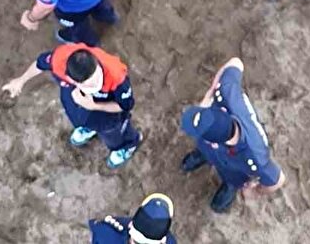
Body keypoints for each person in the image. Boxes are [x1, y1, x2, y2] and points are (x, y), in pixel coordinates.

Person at [2, 42, 142, 170]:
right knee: (77, 115)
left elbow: (125, 106)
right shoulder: (60, 59)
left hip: (108, 113)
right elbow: (40, 63)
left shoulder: (116, 76)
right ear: (70, 79)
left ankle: (129, 144)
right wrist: (20, 81)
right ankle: (89, 127)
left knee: (113, 132)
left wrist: (94, 106)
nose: (96, 84)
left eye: (97, 78)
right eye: (89, 84)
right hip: (78, 105)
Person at [179, 57, 284, 214]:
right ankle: (203, 155)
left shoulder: (255, 156)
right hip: (211, 147)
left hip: (234, 167)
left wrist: (255, 192)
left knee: (233, 177)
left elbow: (277, 180)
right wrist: (212, 90)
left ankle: (229, 186)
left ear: (214, 143)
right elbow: (236, 63)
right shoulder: (226, 94)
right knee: (204, 150)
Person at [87, 194, 177, 244]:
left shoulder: (106, 231)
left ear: (131, 224)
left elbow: (96, 227)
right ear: (163, 240)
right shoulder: (171, 242)